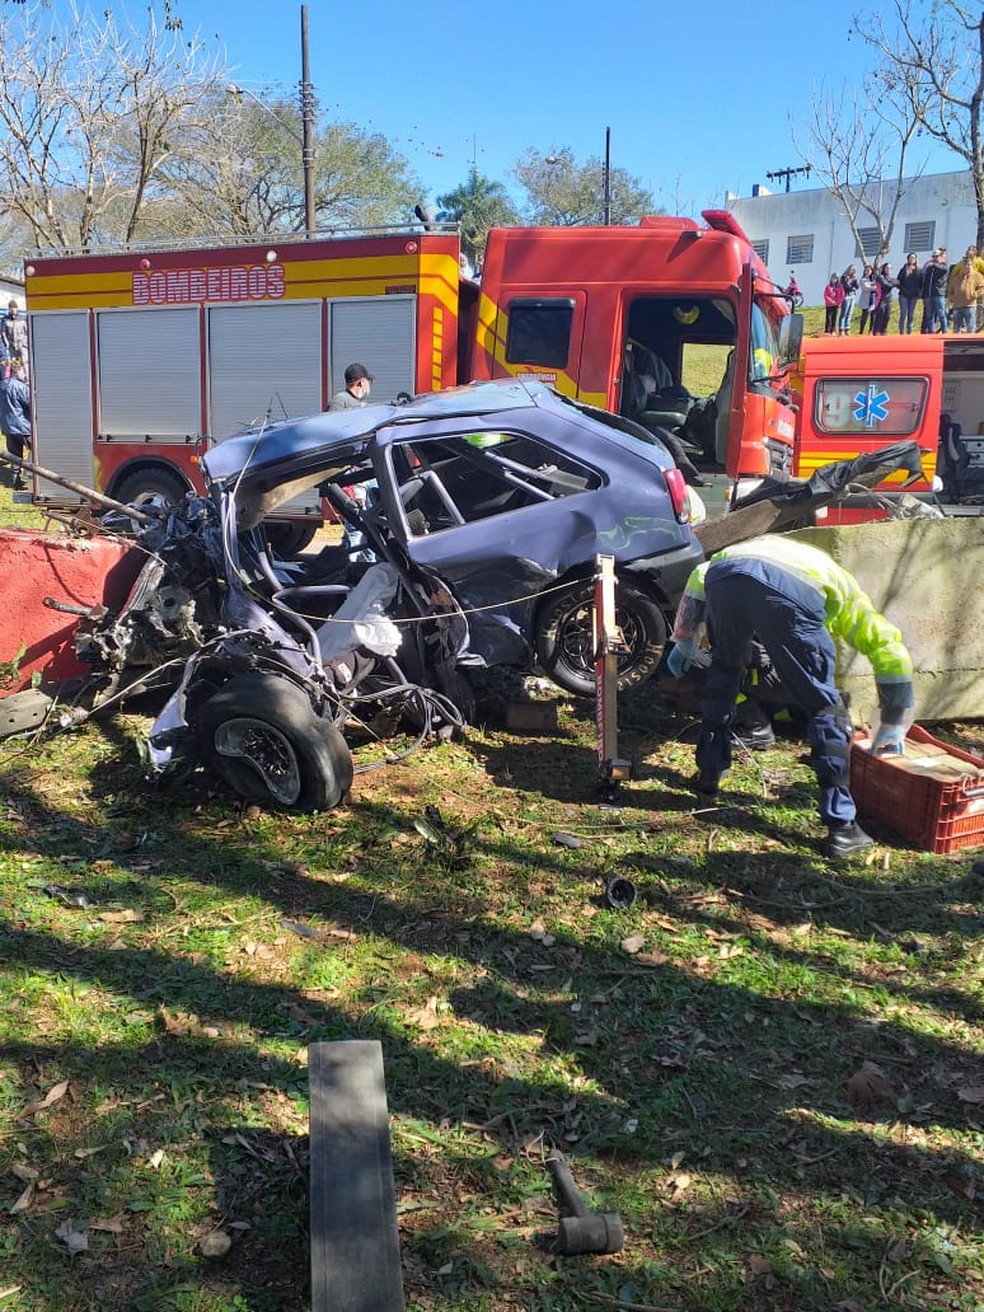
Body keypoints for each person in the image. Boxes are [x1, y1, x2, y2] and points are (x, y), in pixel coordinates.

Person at [664, 534, 914, 860]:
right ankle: (842, 827)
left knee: (725, 674)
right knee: (825, 706)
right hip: (791, 588)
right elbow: (888, 648)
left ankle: (710, 775)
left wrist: (684, 639)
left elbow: (700, 575)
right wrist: (895, 719)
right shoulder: (844, 591)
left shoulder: (775, 553)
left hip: (724, 576)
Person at [0, 369, 32, 489]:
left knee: (14, 456)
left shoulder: (1, 386)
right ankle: (28, 475)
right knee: (36, 450)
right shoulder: (19, 386)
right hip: (23, 426)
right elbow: (31, 403)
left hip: (8, 427)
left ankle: (15, 480)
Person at [947, 245, 984, 332]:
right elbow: (953, 276)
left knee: (971, 326)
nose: (966, 266)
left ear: (975, 252)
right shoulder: (960, 264)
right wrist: (951, 295)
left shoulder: (978, 262)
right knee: (956, 327)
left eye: (971, 250)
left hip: (971, 299)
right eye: (968, 250)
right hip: (958, 302)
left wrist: (973, 294)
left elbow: (981, 286)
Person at [921, 248, 949, 333]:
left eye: (936, 256)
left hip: (939, 293)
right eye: (933, 256)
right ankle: (931, 332)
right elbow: (925, 280)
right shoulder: (929, 267)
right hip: (929, 294)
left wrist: (933, 265)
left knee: (941, 314)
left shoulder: (944, 265)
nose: (934, 258)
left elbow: (943, 270)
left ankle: (944, 331)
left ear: (940, 257)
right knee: (929, 315)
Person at [1, 300, 28, 380]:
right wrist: (7, 344)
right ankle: (15, 379)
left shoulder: (22, 318)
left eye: (14, 307)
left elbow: (27, 332)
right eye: (11, 308)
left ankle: (27, 378)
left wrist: (24, 343)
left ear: (17, 308)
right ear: (9, 309)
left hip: (22, 345)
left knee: (24, 361)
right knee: (13, 363)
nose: (12, 309)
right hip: (11, 346)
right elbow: (3, 333)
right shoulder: (5, 320)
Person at [896, 253, 923, 334]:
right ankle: (901, 332)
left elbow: (921, 283)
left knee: (911, 314)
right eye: (910, 258)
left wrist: (919, 292)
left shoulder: (919, 270)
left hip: (913, 295)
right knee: (903, 313)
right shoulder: (903, 269)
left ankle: (909, 332)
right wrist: (902, 289)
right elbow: (898, 282)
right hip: (903, 295)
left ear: (916, 259)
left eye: (913, 258)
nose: (912, 259)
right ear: (908, 259)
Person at [871, 262, 898, 335]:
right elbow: (886, 285)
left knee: (887, 315)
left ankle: (883, 330)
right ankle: (876, 330)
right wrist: (892, 284)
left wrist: (892, 283)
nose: (888, 269)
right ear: (884, 269)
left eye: (890, 268)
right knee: (880, 314)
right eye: (887, 268)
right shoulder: (880, 277)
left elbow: (898, 282)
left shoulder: (891, 278)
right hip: (881, 298)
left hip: (889, 298)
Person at [857, 265, 880, 334]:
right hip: (866, 300)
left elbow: (878, 285)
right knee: (865, 315)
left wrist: (873, 285)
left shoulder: (873, 279)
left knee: (873, 315)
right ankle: (861, 330)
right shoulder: (862, 279)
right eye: (866, 270)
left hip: (873, 299)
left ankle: (871, 330)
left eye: (869, 270)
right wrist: (875, 287)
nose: (868, 272)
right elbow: (865, 288)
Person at [838, 266, 859, 335]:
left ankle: (847, 328)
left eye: (853, 270)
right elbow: (846, 287)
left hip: (852, 296)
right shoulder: (844, 277)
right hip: (846, 296)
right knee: (844, 313)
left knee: (849, 313)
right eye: (851, 270)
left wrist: (855, 280)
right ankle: (841, 329)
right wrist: (852, 288)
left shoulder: (853, 278)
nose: (852, 271)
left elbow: (857, 286)